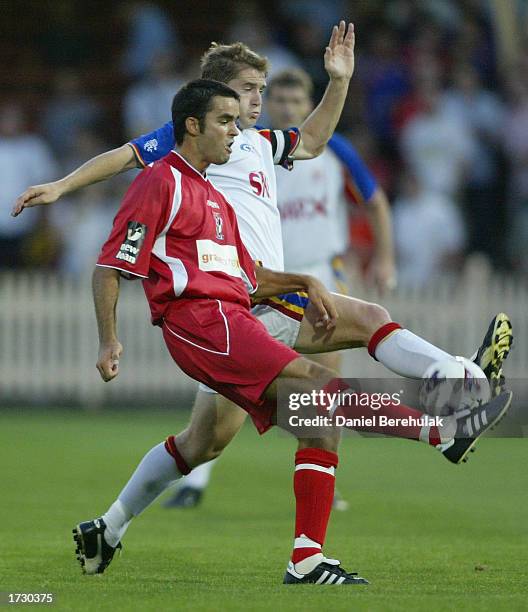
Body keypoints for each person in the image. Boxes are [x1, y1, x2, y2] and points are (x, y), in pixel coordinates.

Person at [13, 25, 513, 583]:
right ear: (208, 108)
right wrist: (60, 186)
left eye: (259, 90)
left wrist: (338, 82)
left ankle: (113, 528)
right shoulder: (180, 164)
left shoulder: (248, 149)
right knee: (275, 412)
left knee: (240, 428)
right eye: (247, 91)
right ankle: (448, 412)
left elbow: (313, 144)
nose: (255, 101)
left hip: (259, 297)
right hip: (225, 315)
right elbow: (121, 170)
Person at [165, 67, 396, 510]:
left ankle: (323, 467)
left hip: (318, 273)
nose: (288, 108)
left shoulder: (332, 149)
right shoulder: (253, 149)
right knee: (233, 386)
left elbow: (375, 201)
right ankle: (199, 476)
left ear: (309, 105)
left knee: (324, 382)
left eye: (296, 102)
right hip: (262, 278)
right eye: (281, 102)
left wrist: (384, 257)